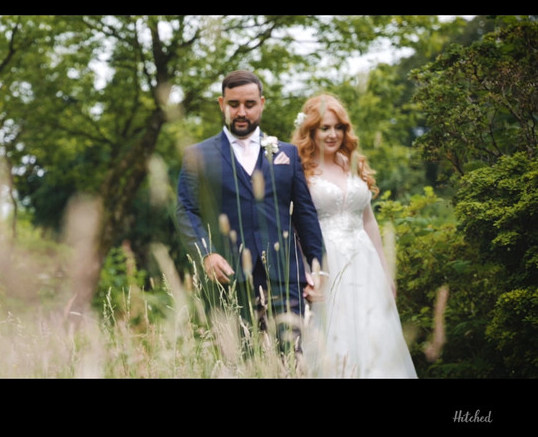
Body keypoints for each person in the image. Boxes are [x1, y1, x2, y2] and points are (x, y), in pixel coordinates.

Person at [176, 70, 325, 355]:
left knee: (290, 361)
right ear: (222, 104)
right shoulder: (198, 155)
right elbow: (186, 210)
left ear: (262, 103)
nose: (241, 112)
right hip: (229, 277)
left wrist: (319, 268)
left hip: (285, 276)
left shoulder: (288, 154)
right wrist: (206, 254)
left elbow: (304, 215)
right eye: (233, 104)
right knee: (239, 362)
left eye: (249, 104)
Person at [291, 92, 417, 378]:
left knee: (376, 336)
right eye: (325, 127)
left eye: (339, 127)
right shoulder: (301, 171)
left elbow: (369, 222)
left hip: (365, 263)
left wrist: (386, 273)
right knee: (336, 338)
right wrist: (306, 275)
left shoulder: (353, 164)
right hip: (326, 264)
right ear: (311, 130)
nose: (333, 134)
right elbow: (295, 227)